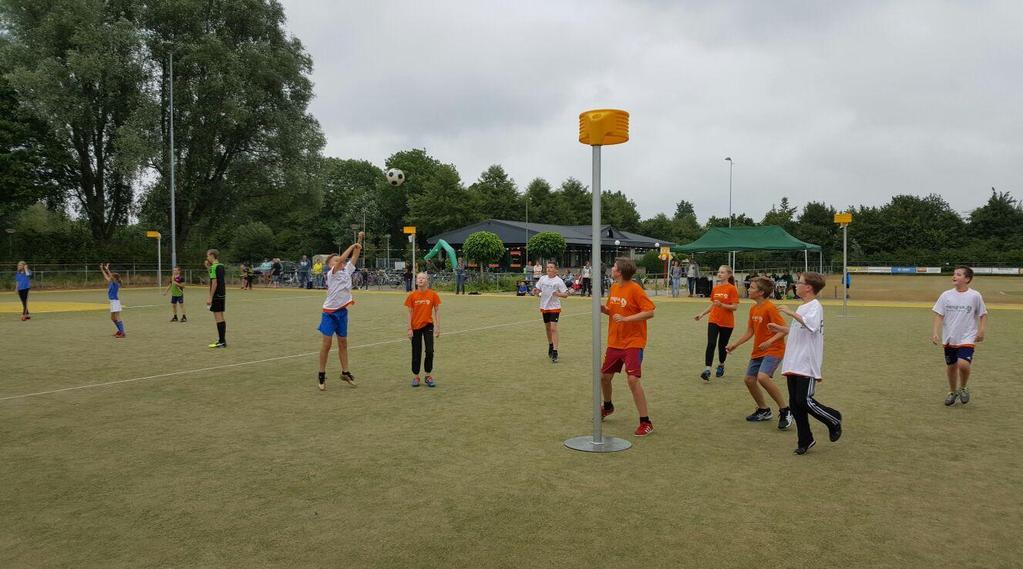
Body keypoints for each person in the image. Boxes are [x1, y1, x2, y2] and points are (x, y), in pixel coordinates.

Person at [768, 272, 842, 455]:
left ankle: (833, 418)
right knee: (795, 404)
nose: (796, 285)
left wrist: (789, 312)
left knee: (804, 400)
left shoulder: (814, 306)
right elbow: (800, 330)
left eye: (799, 282)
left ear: (808, 287)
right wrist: (782, 328)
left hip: (806, 361)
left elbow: (812, 326)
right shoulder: (803, 307)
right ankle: (805, 439)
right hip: (794, 360)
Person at [726, 276, 793, 429]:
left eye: (752, 287)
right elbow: (750, 331)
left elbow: (784, 330)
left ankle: (785, 410)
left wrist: (769, 342)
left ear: (761, 292)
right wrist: (734, 344)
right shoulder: (753, 308)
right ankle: (763, 410)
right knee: (749, 380)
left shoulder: (770, 308)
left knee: (762, 377)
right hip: (758, 351)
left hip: (774, 350)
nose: (748, 289)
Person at [600, 258, 657, 436]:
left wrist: (626, 319)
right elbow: (613, 310)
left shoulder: (635, 289)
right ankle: (608, 406)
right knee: (604, 377)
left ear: (620, 272)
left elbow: (650, 312)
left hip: (633, 341)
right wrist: (604, 310)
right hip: (615, 342)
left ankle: (646, 421)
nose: (612, 268)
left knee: (632, 380)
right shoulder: (614, 287)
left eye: (614, 267)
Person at [931, 266, 987, 406]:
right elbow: (939, 315)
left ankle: (963, 387)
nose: (954, 276)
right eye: (954, 274)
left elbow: (983, 314)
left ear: (967, 279)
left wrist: (981, 330)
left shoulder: (975, 296)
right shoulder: (946, 295)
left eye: (958, 274)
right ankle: (952, 391)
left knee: (962, 364)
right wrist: (935, 332)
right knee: (951, 366)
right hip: (950, 337)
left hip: (967, 336)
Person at [317, 232, 364, 390]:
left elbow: (356, 254)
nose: (340, 262)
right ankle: (321, 374)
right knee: (327, 344)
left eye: (339, 259)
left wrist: (359, 240)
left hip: (342, 312)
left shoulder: (347, 271)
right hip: (329, 313)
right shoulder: (332, 273)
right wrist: (351, 246)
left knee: (343, 343)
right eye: (335, 260)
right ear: (331, 265)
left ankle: (345, 372)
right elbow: (344, 258)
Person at [694, 265, 739, 380]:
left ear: (729, 275)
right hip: (713, 320)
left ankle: (721, 365)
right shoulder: (715, 288)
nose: (719, 274)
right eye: (719, 272)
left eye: (722, 272)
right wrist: (702, 314)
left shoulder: (732, 289)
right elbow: (713, 305)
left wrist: (722, 305)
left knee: (722, 346)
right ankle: (707, 369)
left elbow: (735, 307)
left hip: (727, 323)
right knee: (711, 343)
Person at [405, 271, 441, 387]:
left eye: (423, 278)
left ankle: (427, 375)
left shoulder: (433, 295)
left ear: (427, 281)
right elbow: (409, 313)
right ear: (416, 281)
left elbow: (437, 311)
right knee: (416, 352)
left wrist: (437, 327)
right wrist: (409, 328)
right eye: (418, 278)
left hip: (428, 325)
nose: (420, 280)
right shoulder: (412, 296)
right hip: (415, 327)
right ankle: (416, 376)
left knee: (430, 351)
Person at [533, 261, 570, 363]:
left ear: (556, 270)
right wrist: (535, 292)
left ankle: (555, 351)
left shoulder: (558, 281)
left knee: (553, 328)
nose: (549, 269)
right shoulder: (542, 279)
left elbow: (566, 294)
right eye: (548, 267)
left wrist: (558, 294)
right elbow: (537, 290)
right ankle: (550, 344)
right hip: (544, 307)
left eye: (551, 267)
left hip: (555, 307)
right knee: (548, 328)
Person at [206, 250, 227, 348]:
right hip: (222, 294)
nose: (207, 258)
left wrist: (210, 297)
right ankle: (222, 339)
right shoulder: (221, 266)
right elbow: (216, 277)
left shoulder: (213, 267)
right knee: (221, 317)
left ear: (212, 255)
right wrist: (208, 267)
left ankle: (222, 342)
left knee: (218, 318)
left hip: (216, 295)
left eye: (208, 256)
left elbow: (214, 282)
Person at [99, 263, 125, 338]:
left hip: (115, 302)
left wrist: (107, 269)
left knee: (117, 317)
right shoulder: (111, 282)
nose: (110, 277)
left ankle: (122, 333)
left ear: (115, 279)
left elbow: (110, 276)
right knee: (113, 318)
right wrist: (102, 269)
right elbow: (106, 276)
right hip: (113, 302)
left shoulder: (116, 283)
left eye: (112, 277)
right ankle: (120, 331)